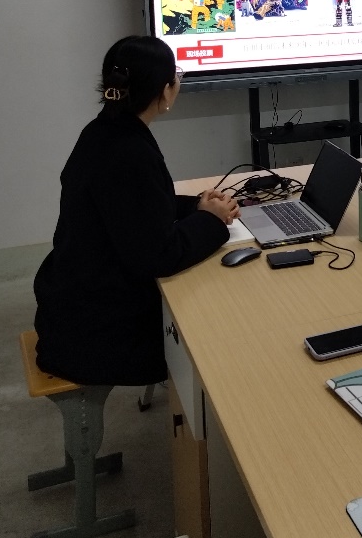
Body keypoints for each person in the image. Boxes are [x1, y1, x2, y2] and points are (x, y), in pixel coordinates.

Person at [34, 35, 239, 386]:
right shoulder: (129, 152)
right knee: (219, 327)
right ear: (165, 92)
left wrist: (197, 206)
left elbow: (137, 208)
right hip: (100, 335)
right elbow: (159, 255)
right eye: (177, 76)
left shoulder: (103, 131)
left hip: (74, 305)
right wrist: (212, 220)